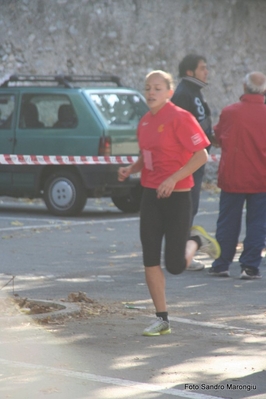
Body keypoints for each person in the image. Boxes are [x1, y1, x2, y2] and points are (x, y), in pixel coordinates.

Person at [118, 70, 220, 336]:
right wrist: (132, 168)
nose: (151, 92)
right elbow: (147, 155)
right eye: (147, 87)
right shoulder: (144, 122)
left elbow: (202, 156)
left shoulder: (180, 118)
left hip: (177, 195)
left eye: (158, 88)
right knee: (149, 258)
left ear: (169, 92)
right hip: (151, 195)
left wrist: (173, 179)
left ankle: (196, 240)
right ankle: (162, 318)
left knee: (174, 266)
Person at [208, 71, 266, 279]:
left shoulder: (230, 112)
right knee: (258, 224)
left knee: (227, 223)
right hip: (261, 178)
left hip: (233, 176)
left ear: (244, 87)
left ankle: (222, 264)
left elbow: (217, 138)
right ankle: (250, 266)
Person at [171, 54, 213, 271]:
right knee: (186, 209)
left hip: (195, 162)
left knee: (190, 208)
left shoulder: (193, 92)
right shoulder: (185, 94)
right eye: (202, 68)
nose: (207, 72)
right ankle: (180, 254)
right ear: (190, 72)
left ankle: (180, 251)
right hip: (189, 163)